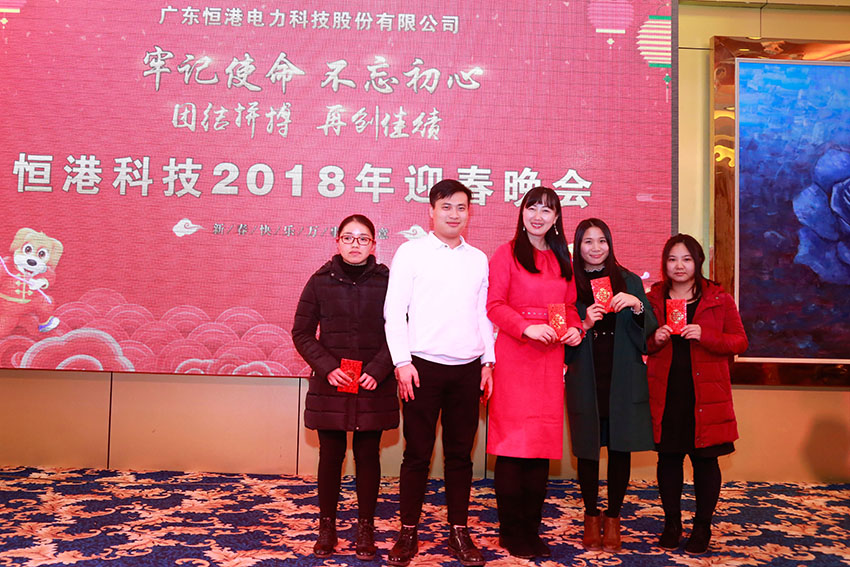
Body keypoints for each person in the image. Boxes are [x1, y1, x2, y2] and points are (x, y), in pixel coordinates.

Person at [383, 179, 495, 567]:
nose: (454, 214)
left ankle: (459, 531)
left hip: (467, 369)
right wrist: (402, 362)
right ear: (431, 211)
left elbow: (483, 314)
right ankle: (407, 532)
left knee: (460, 456)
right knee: (417, 453)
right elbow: (394, 312)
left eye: (461, 207)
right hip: (421, 369)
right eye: (446, 207)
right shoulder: (411, 252)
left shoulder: (478, 258)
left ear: (469, 213)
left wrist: (488, 362)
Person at [291, 214, 398, 561]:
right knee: (330, 455)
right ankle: (327, 527)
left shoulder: (389, 282)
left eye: (363, 238)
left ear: (373, 244)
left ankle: (365, 528)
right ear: (337, 242)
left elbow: (402, 329)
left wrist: (379, 369)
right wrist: (328, 368)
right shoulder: (319, 281)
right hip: (332, 383)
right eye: (348, 238)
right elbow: (302, 333)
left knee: (368, 455)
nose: (355, 244)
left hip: (373, 382)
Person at [486, 187, 583, 559]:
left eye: (547, 210)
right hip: (516, 353)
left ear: (556, 218)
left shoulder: (562, 258)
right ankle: (511, 531)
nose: (538, 216)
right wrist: (526, 328)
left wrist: (575, 328)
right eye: (532, 208)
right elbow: (494, 305)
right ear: (522, 213)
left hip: (550, 357)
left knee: (540, 449)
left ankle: (531, 528)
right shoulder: (506, 253)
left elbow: (570, 306)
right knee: (512, 448)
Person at [646, 234, 748, 555]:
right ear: (664, 264)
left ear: (698, 262)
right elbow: (641, 343)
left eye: (686, 259)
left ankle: (703, 526)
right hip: (667, 393)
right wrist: (655, 339)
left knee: (705, 462)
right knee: (668, 459)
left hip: (706, 395)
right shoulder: (652, 299)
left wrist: (707, 335)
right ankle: (672, 523)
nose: (679, 266)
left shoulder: (719, 299)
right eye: (672, 259)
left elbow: (739, 341)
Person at [564, 218, 658, 553]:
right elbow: (561, 333)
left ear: (610, 244)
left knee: (621, 447)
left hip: (622, 377)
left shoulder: (629, 280)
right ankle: (591, 515)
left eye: (601, 240)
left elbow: (649, 333)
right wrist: (584, 322)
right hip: (585, 376)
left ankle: (614, 516)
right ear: (578, 246)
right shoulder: (567, 283)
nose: (595, 248)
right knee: (587, 449)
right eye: (588, 241)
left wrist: (636, 305)